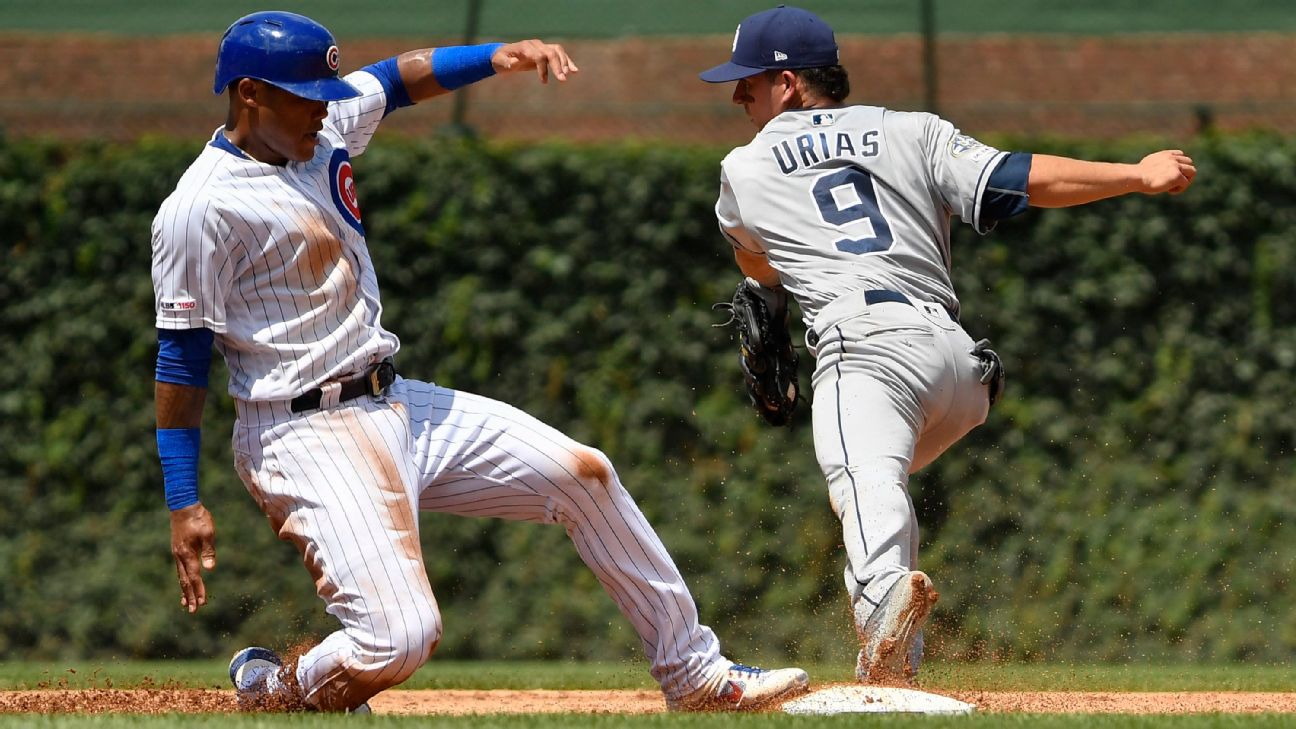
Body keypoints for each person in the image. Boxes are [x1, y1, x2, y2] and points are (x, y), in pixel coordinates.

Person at [152, 10, 809, 714]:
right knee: (400, 638)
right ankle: (276, 686)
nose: (323, 105)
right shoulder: (200, 207)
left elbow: (397, 79)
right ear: (249, 92)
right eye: (304, 93)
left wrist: (502, 54)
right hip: (300, 433)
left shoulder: (319, 132)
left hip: (393, 399)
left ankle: (696, 676)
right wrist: (183, 497)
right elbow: (182, 360)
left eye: (324, 91)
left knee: (582, 474)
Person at [698, 6, 1195, 685]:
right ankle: (897, 662)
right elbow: (1017, 179)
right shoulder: (913, 129)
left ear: (786, 83)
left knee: (864, 483)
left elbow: (758, 271)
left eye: (747, 83)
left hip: (864, 353)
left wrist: (771, 304)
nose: (737, 97)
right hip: (958, 369)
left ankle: (882, 619)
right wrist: (1135, 175)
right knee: (880, 485)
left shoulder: (743, 169)